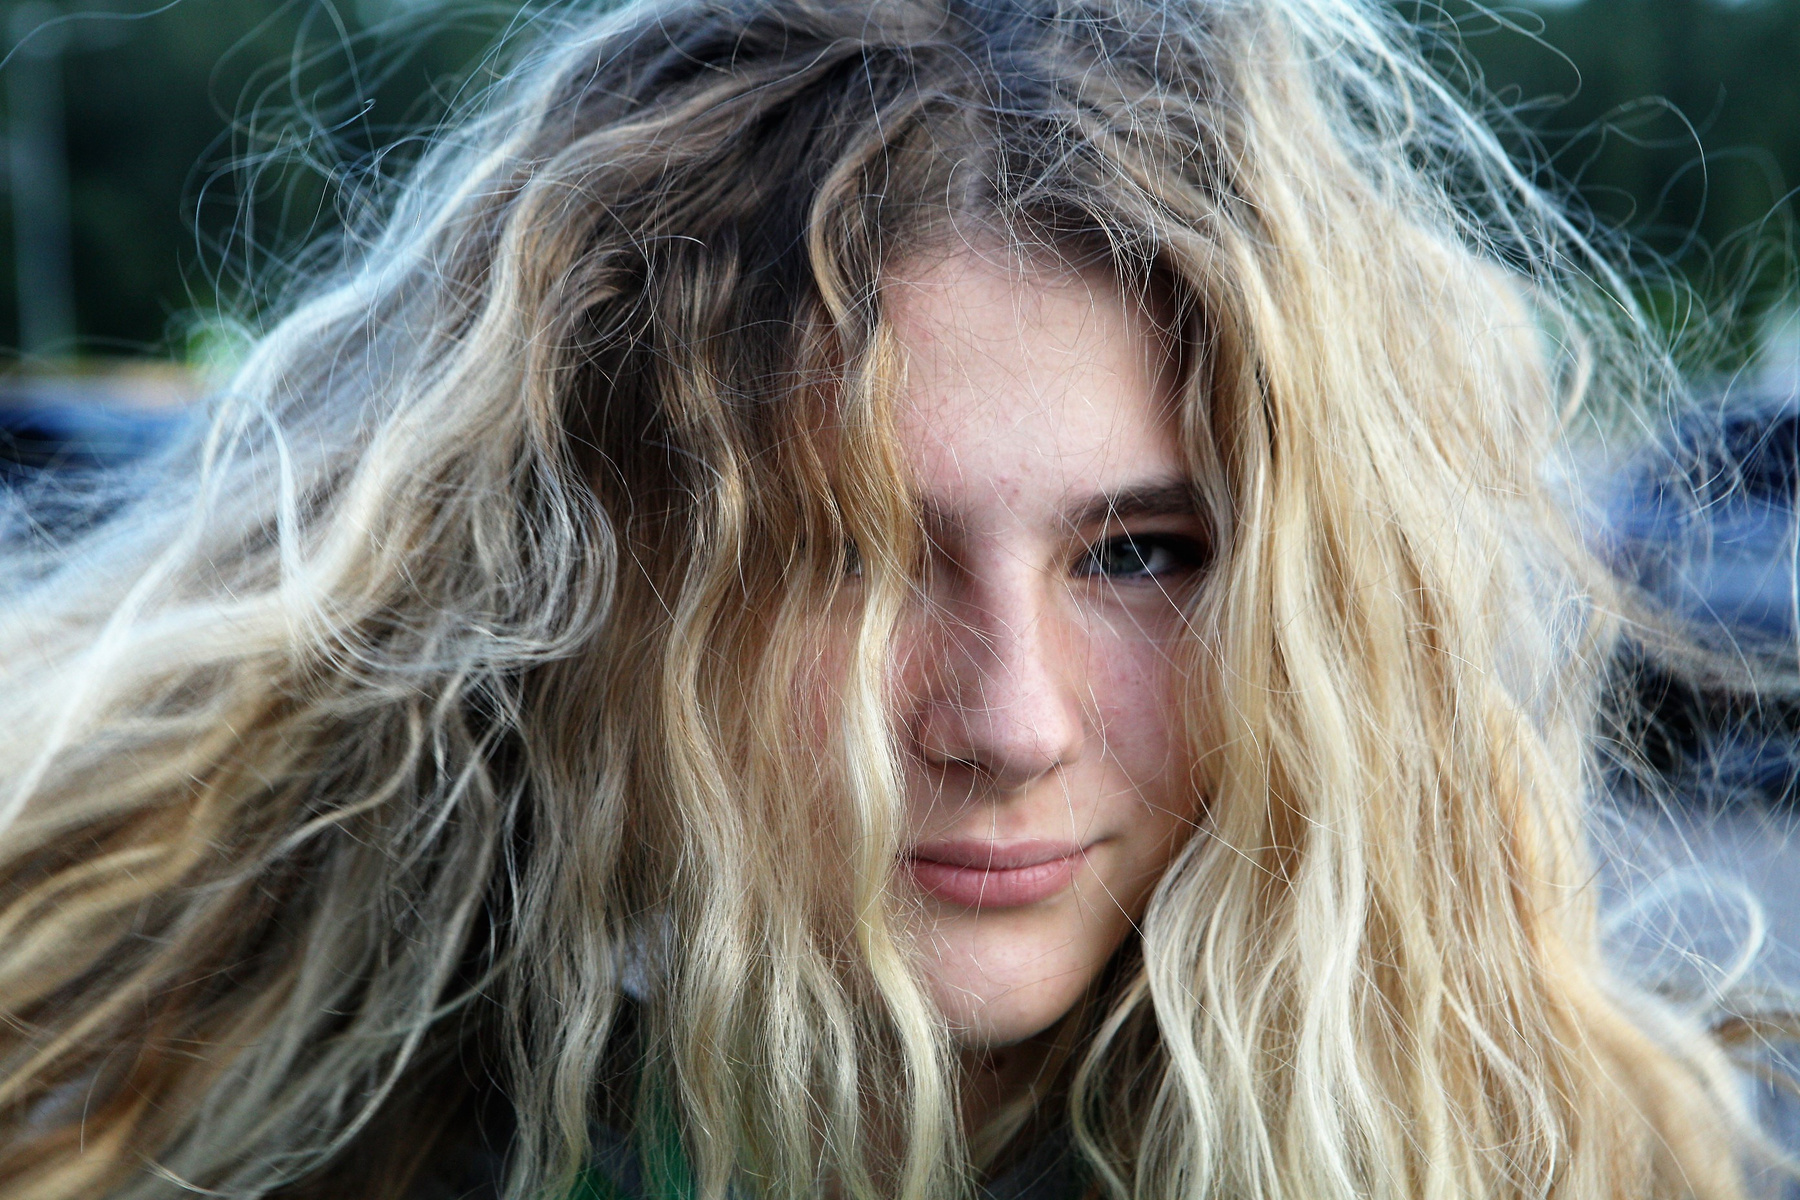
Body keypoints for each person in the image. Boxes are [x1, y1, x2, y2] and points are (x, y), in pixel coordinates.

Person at [0, 0, 1786, 1196]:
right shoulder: (257, 1147)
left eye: (1138, 555)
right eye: (837, 553)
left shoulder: (1536, 1161)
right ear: (584, 583)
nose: (1010, 722)